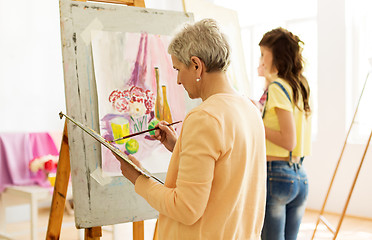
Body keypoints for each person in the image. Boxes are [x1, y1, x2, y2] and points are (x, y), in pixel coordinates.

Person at [114, 19, 267, 239]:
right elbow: (226, 168)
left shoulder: (205, 117)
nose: (177, 80)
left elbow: (186, 208)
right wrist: (178, 147)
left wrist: (138, 179)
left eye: (177, 69)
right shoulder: (249, 109)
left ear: (196, 65)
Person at [257, 27, 312, 240]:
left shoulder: (278, 87)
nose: (260, 60)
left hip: (276, 175)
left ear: (276, 56)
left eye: (263, 54)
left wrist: (256, 122)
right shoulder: (301, 85)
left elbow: (289, 140)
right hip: (300, 176)